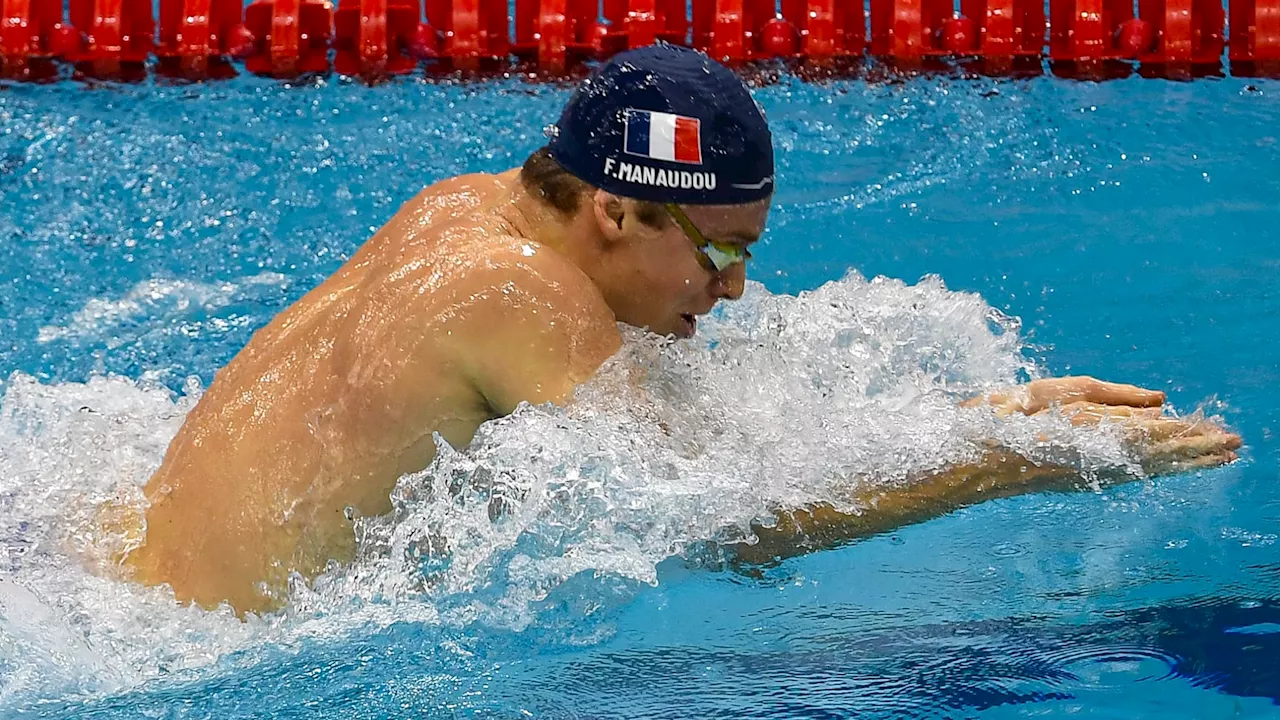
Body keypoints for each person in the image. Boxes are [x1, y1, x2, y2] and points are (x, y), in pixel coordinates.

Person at [108, 44, 1240, 616]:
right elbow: (726, 533)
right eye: (719, 252)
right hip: (220, 667)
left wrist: (1000, 405)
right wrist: (1011, 468)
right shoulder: (515, 294)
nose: (734, 290)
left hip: (126, 576)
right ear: (613, 207)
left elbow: (708, 459)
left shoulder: (467, 205)